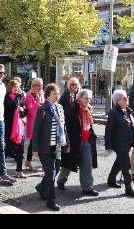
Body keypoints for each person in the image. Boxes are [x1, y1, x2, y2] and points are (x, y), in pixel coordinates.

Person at [57, 89, 99, 196]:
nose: (88, 101)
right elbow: (67, 126)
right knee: (69, 162)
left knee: (87, 164)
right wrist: (67, 142)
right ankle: (61, 180)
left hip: (86, 140)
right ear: (80, 98)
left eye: (89, 99)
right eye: (86, 98)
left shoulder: (89, 108)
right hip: (74, 140)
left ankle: (87, 188)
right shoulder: (72, 108)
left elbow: (89, 125)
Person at [33, 83, 67, 211]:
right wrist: (35, 148)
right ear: (48, 95)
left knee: (56, 170)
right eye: (54, 94)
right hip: (45, 148)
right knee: (51, 174)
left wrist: (66, 143)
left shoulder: (60, 107)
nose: (57, 96)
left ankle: (41, 187)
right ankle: (51, 201)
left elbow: (63, 128)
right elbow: (36, 130)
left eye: (58, 93)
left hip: (57, 147)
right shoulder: (43, 109)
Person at [105, 90, 134, 197]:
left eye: (127, 98)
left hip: (128, 142)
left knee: (119, 162)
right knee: (126, 165)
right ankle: (128, 188)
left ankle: (111, 179)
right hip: (119, 144)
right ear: (118, 101)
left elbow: (131, 125)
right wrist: (109, 145)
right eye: (125, 98)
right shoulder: (113, 112)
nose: (127, 100)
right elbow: (108, 130)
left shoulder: (127, 111)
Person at [4, 79, 27, 178]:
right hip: (9, 128)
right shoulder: (7, 97)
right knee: (8, 148)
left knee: (20, 149)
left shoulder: (20, 98)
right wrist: (19, 97)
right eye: (14, 87)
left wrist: (22, 110)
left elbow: (25, 112)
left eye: (17, 87)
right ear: (10, 87)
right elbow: (13, 105)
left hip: (20, 128)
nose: (16, 88)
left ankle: (19, 170)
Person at [24, 78, 44, 171]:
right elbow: (31, 111)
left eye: (40, 85)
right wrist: (38, 103)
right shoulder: (29, 96)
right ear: (32, 86)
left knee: (34, 144)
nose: (38, 87)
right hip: (33, 123)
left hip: (41, 122)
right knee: (34, 143)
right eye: (36, 85)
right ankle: (42, 164)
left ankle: (28, 162)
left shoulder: (41, 95)